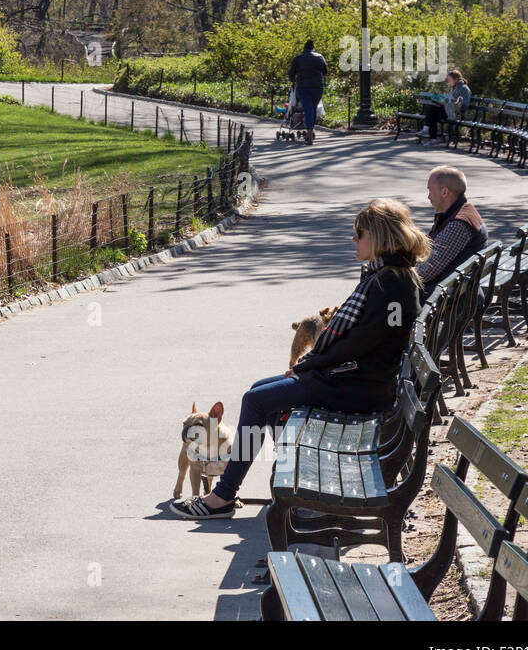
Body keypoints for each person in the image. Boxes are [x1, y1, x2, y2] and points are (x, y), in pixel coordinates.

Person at [172, 198, 429, 519]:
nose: (353, 239)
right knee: (260, 391)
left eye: (359, 233)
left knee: (256, 399)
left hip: (356, 388)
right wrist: (306, 370)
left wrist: (305, 368)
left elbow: (359, 344)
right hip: (358, 381)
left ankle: (223, 495)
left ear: (378, 236)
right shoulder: (390, 277)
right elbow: (360, 341)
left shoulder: (390, 283)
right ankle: (291, 484)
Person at [416, 165, 487, 303]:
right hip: (454, 289)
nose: (429, 197)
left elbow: (427, 272)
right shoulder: (462, 212)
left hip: (451, 298)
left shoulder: (459, 224)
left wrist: (398, 274)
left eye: (430, 191)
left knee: (389, 292)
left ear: (444, 192)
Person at [418, 69, 471, 147]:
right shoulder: (454, 87)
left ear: (456, 79)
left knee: (433, 114)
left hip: (457, 114)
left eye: (450, 80)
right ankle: (431, 137)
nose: (448, 82)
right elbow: (449, 100)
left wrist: (452, 104)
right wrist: (442, 103)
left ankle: (430, 135)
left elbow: (465, 105)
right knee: (432, 109)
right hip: (449, 111)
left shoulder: (464, 88)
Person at [288, 39, 327, 145]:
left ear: (304, 48)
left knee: (309, 109)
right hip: (317, 87)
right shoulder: (320, 57)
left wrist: (294, 81)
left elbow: (291, 74)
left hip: (303, 87)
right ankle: (310, 132)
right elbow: (325, 72)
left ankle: (309, 137)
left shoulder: (298, 58)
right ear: (313, 48)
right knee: (312, 109)